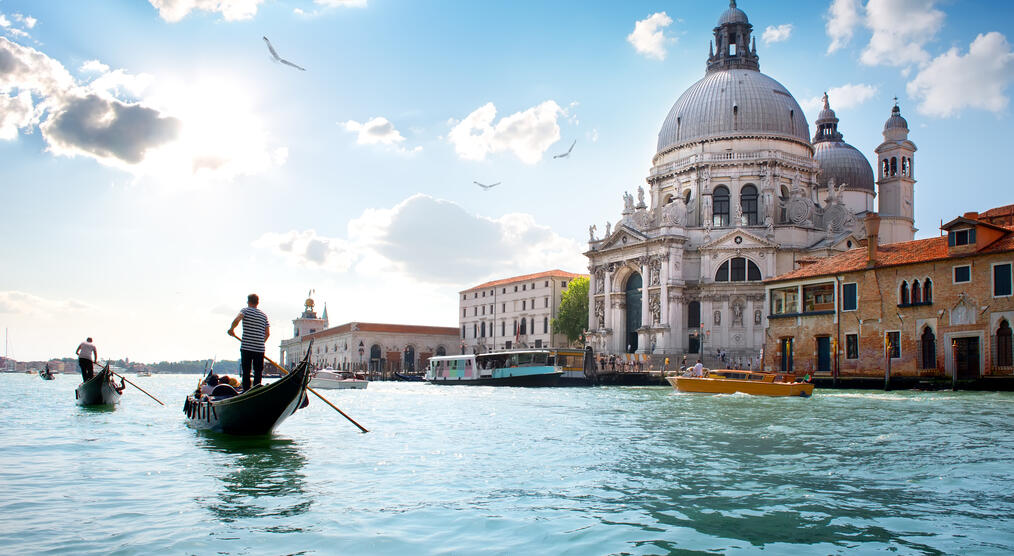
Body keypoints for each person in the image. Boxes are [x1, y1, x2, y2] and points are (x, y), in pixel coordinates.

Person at [228, 293, 270, 391]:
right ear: (257, 303)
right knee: (258, 372)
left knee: (246, 371)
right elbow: (267, 333)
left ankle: (246, 391)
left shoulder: (245, 310)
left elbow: (237, 319)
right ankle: (256, 391)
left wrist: (231, 329)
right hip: (260, 348)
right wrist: (260, 342)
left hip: (246, 347)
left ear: (248, 302)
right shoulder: (264, 315)